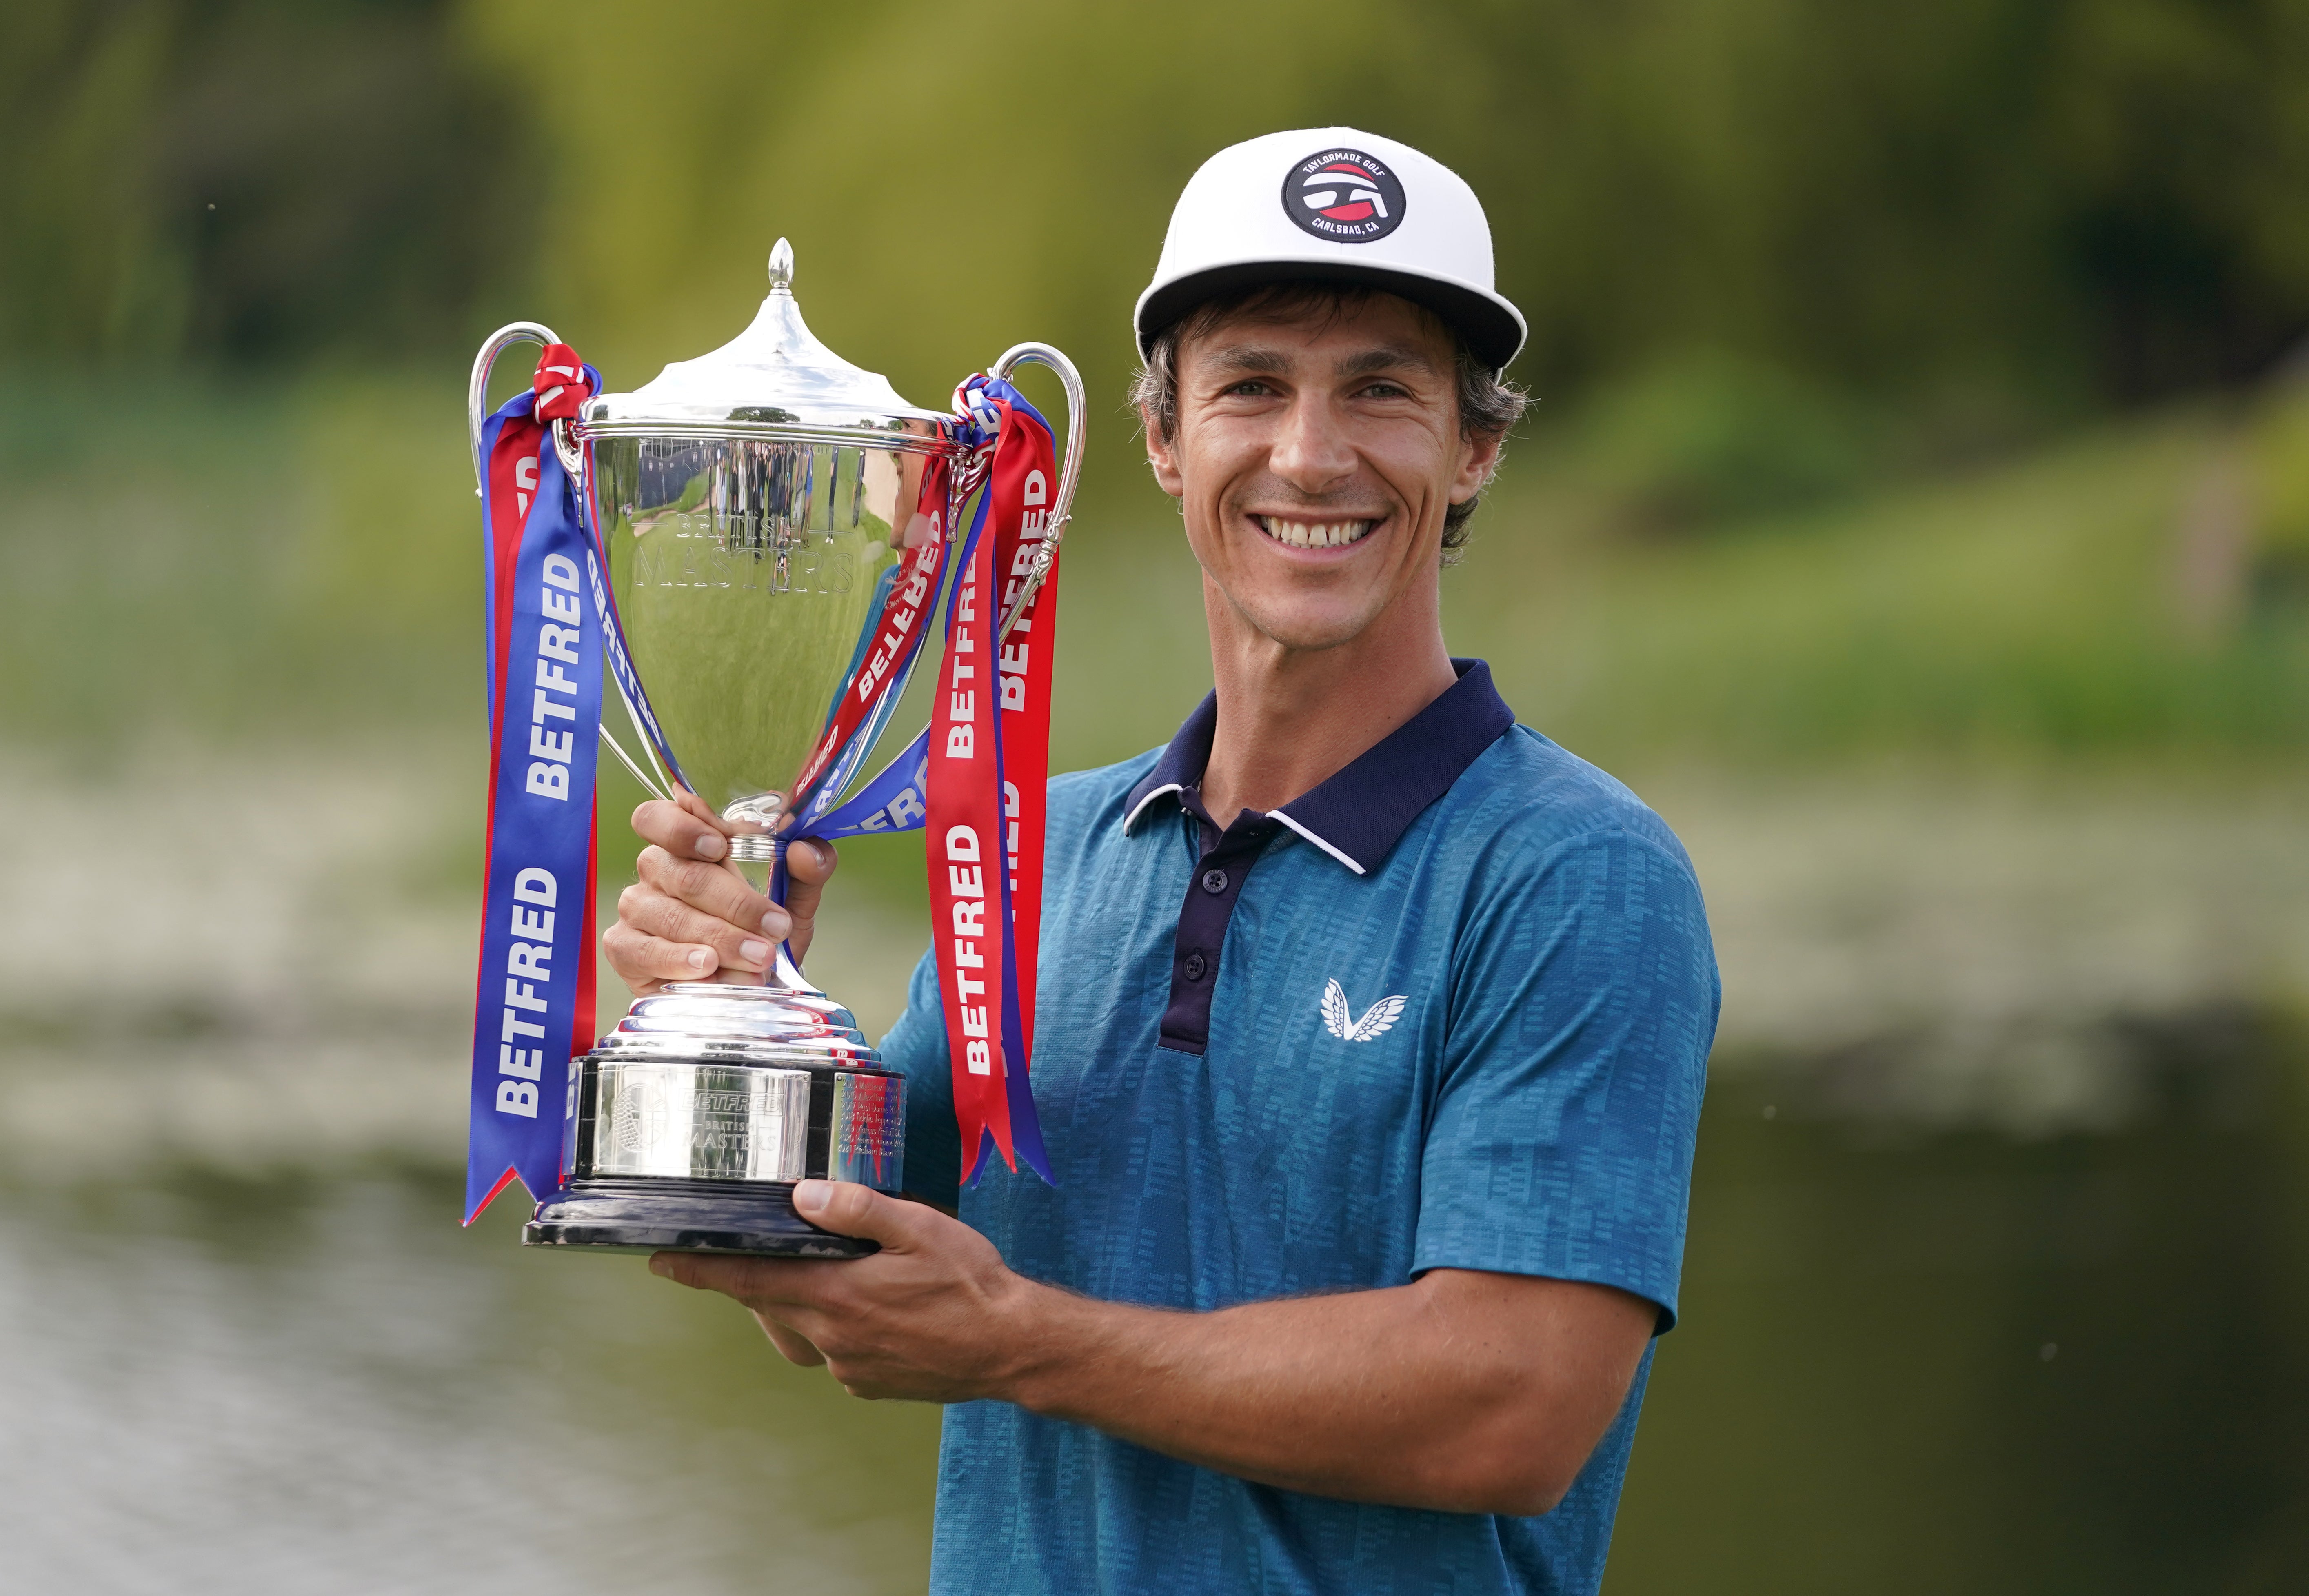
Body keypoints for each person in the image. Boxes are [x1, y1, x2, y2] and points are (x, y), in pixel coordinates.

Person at [601, 127, 1717, 1596]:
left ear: (1475, 448)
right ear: (1161, 438)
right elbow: (838, 1303)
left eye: (1380, 388)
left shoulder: (1575, 876)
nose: (1309, 454)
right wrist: (745, 1017)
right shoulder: (1026, 845)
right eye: (1250, 384)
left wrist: (1023, 1339)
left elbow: (1507, 1409)